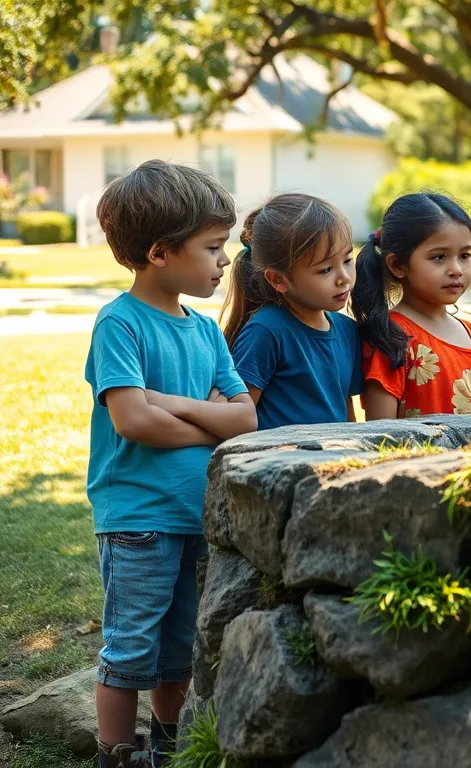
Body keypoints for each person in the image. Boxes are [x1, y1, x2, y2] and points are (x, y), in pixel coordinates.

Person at [85, 160, 257, 768]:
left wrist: (170, 406)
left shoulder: (207, 332)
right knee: (132, 644)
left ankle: (169, 746)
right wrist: (204, 423)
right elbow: (132, 421)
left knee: (180, 647)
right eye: (212, 248)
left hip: (194, 516)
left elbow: (244, 420)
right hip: (137, 518)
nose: (224, 261)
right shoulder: (120, 323)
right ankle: (115, 753)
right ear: (160, 252)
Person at [353, 192, 471, 419]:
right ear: (397, 265)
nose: (456, 269)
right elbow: (381, 435)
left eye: (464, 255)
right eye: (439, 257)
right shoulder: (391, 339)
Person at [222, 193, 361, 429]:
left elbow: (348, 415)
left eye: (347, 260)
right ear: (279, 279)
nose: (344, 278)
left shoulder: (348, 330)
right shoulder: (267, 330)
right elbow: (237, 415)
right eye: (326, 269)